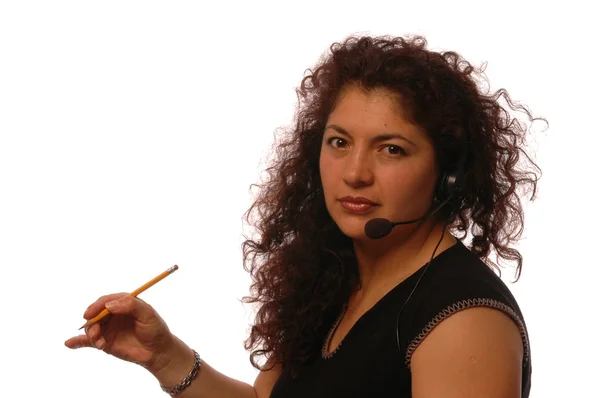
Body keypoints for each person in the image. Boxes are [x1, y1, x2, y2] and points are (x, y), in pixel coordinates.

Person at [65, 34, 544, 397]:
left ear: (449, 175)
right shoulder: (332, 276)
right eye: (339, 142)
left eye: (391, 149)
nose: (354, 173)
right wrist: (165, 356)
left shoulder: (463, 322)